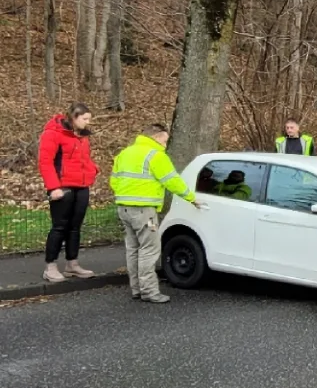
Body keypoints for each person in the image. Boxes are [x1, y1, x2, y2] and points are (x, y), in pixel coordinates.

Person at [109, 125, 203, 303]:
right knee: (149, 249)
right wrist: (191, 198)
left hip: (124, 207)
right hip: (144, 209)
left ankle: (136, 288)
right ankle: (149, 291)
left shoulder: (125, 153)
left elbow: (114, 180)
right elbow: (172, 181)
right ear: (156, 137)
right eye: (165, 140)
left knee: (133, 249)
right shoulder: (156, 155)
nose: (165, 144)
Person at [38, 103, 98, 282]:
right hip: (62, 187)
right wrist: (53, 187)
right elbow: (45, 161)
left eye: (89, 119)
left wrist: (93, 170)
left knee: (75, 227)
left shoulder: (82, 136)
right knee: (59, 226)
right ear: (74, 117)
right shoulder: (53, 133)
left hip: (81, 185)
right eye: (85, 119)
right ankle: (50, 266)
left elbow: (85, 158)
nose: (87, 123)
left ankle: (72, 264)